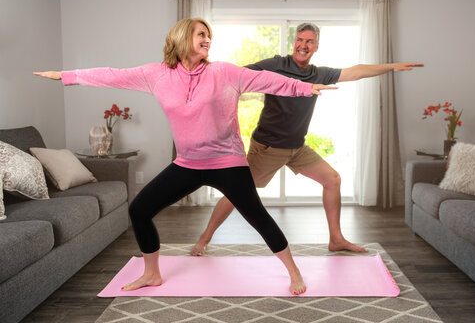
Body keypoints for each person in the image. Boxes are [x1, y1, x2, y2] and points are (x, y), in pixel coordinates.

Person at [34, 18, 337, 295]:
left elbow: (270, 81)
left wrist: (305, 87)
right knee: (139, 209)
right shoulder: (156, 74)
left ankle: (293, 272)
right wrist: (66, 75)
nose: (207, 40)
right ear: (182, 38)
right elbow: (113, 76)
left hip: (227, 162)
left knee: (257, 216)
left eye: (209, 36)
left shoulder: (224, 72)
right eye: (201, 34)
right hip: (188, 164)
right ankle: (152, 274)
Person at [190, 22, 423, 257]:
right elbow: (235, 75)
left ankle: (336, 239)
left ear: (316, 47)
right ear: (294, 43)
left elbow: (355, 71)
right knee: (237, 192)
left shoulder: (318, 73)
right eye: (299, 40)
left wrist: (392, 66)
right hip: (268, 148)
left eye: (309, 41)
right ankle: (204, 238)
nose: (303, 45)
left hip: (297, 148)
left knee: (332, 179)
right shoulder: (276, 65)